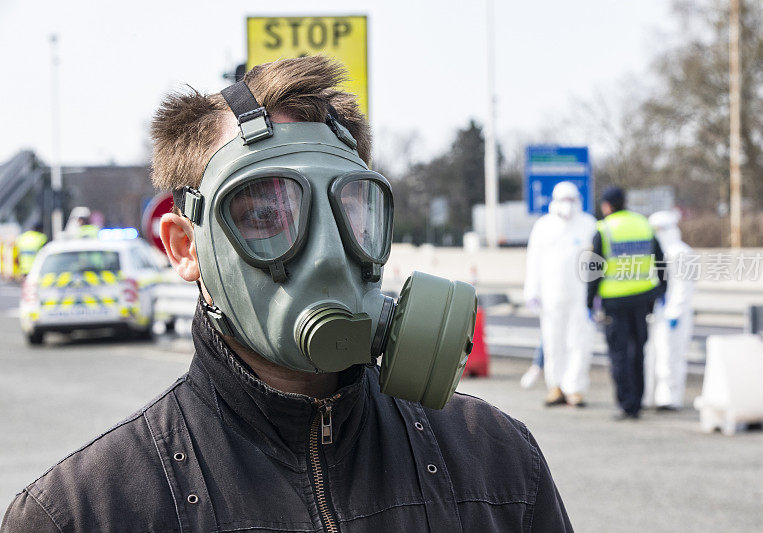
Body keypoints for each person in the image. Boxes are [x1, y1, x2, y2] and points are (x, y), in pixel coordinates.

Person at [2, 57, 571, 532]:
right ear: (184, 247)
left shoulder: (497, 465)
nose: (327, 253)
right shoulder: (83, 513)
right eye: (265, 212)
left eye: (349, 209)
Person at [586, 186, 666, 420]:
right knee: (638, 352)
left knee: (619, 355)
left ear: (608, 206)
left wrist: (589, 302)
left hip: (615, 301)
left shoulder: (604, 229)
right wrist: (661, 291)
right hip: (642, 298)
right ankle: (638, 401)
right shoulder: (643, 224)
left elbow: (594, 270)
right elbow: (661, 261)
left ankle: (626, 403)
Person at [522, 182, 597, 406]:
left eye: (572, 199)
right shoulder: (543, 226)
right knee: (553, 342)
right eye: (564, 199)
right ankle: (555, 386)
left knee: (579, 342)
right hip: (551, 296)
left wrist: (597, 294)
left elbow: (596, 262)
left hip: (581, 296)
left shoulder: (588, 224)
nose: (568, 205)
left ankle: (575, 388)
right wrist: (531, 291)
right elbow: (533, 260)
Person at [644, 210, 694, 410]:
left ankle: (669, 398)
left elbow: (684, 287)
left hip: (675, 315)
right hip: (656, 312)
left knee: (670, 357)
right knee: (651, 357)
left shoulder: (681, 252)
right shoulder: (654, 253)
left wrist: (675, 311)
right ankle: (649, 396)